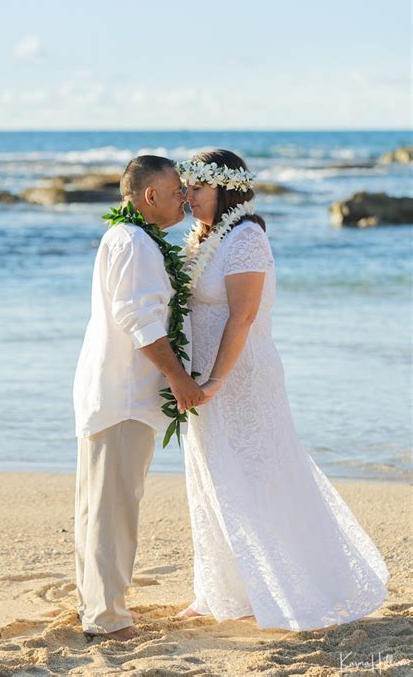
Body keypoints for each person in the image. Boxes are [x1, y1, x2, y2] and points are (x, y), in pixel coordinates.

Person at [177, 148, 391, 631]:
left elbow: (244, 315)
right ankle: (222, 590)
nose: (187, 195)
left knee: (258, 473)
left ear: (224, 187)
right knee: (213, 476)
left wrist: (215, 379)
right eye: (186, 186)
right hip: (202, 377)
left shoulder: (245, 237)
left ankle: (284, 585)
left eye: (197, 186)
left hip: (240, 376)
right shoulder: (201, 237)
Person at [73, 155, 204, 641]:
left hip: (109, 391)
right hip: (123, 394)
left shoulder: (129, 238)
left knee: (97, 505)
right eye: (176, 192)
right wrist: (179, 380)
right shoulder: (134, 243)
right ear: (150, 196)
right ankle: (107, 620)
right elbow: (141, 320)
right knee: (113, 508)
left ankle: (95, 605)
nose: (184, 200)